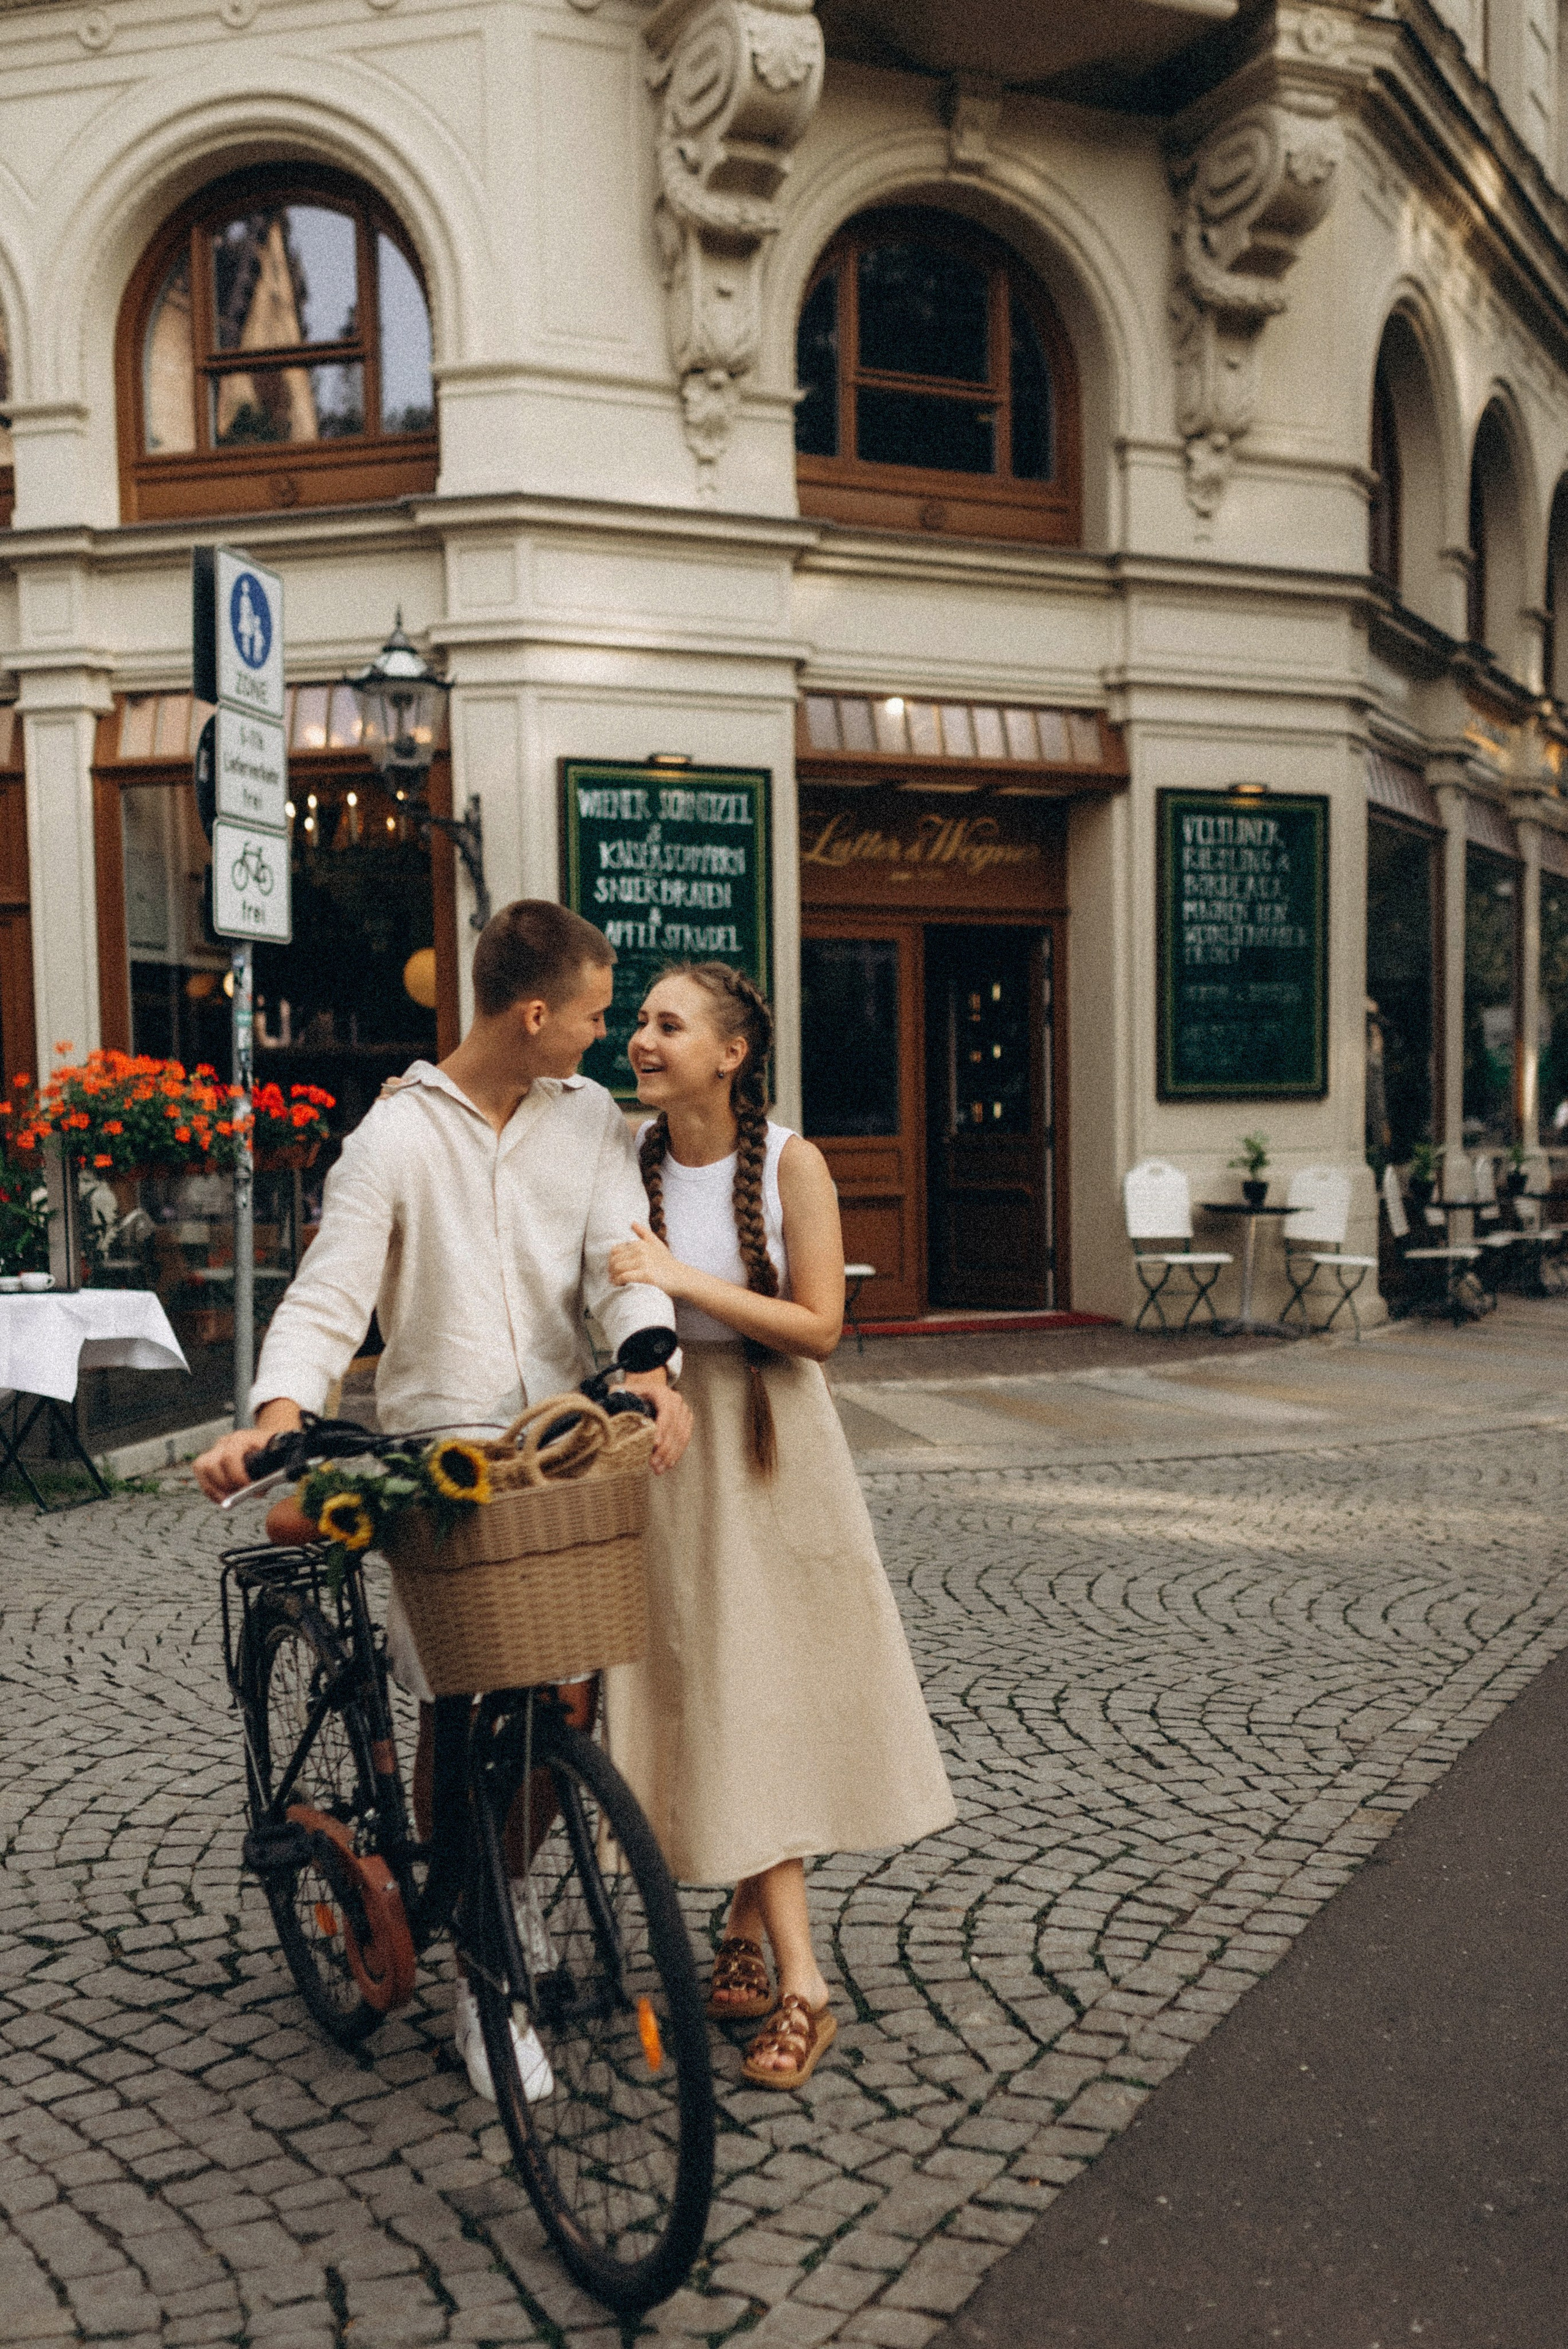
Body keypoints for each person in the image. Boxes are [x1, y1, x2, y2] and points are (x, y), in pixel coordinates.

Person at [194, 899, 693, 2099]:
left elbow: (617, 1260)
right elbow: (328, 1293)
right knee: (464, 1705)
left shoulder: (589, 1125)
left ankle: (502, 1894)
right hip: (439, 1459)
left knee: (561, 1693)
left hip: (559, 1445)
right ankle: (483, 1974)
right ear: (532, 1015)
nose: (602, 1031)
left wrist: (649, 1366)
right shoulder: (395, 1139)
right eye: (588, 1013)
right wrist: (275, 1417)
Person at [605, 961, 956, 2092]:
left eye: (668, 1023)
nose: (642, 1038)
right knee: (718, 1684)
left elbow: (819, 1325)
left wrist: (679, 1279)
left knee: (762, 1687)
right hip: (669, 1450)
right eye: (638, 1020)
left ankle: (799, 1977)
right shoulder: (626, 1152)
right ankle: (750, 1934)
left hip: (773, 1447)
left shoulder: (795, 1161)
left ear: (731, 1052)